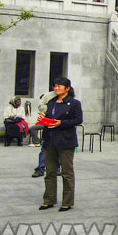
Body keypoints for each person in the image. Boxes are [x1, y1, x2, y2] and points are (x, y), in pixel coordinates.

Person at [39, 77, 82, 212]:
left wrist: (61, 123)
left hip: (65, 141)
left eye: (59, 86)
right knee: (50, 171)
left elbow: (78, 120)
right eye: (55, 86)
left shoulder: (74, 103)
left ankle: (67, 202)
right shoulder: (51, 102)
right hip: (50, 140)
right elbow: (49, 118)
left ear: (67, 89)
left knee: (67, 172)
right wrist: (43, 119)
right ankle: (49, 199)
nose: (56, 88)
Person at [31, 90, 56, 177]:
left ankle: (57, 168)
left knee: (59, 150)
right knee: (44, 150)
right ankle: (41, 168)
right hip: (48, 129)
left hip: (59, 131)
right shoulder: (46, 105)